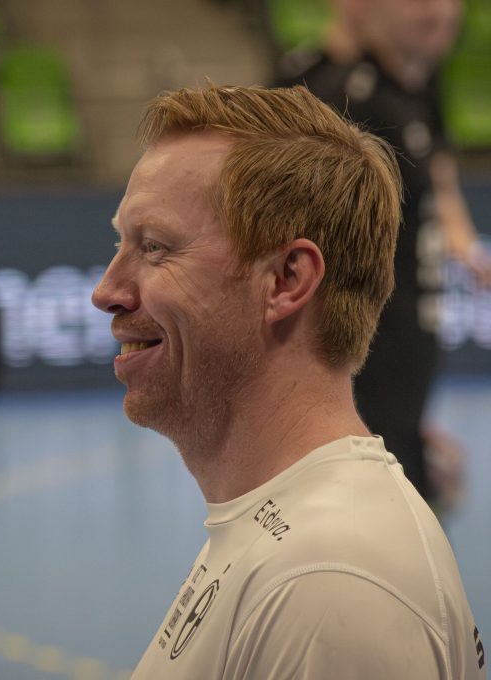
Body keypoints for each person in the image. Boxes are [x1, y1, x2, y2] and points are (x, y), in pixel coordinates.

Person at [91, 83, 486, 678]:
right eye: (122, 242)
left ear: (286, 280)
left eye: (154, 247)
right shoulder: (290, 537)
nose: (107, 292)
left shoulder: (331, 582)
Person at [277, 0, 491, 507]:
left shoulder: (416, 87)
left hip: (399, 386)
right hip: (359, 390)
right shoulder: (335, 95)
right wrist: (350, 422)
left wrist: (410, 426)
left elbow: (437, 176)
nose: (439, 11)